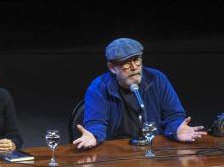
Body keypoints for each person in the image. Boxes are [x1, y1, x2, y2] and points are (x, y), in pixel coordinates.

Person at [74, 38, 206, 149]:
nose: (134, 67)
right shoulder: (98, 87)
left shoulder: (157, 79)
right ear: (112, 68)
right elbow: (96, 123)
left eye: (137, 59)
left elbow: (173, 115)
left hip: (153, 149)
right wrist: (93, 135)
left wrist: (177, 129)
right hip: (115, 150)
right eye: (126, 63)